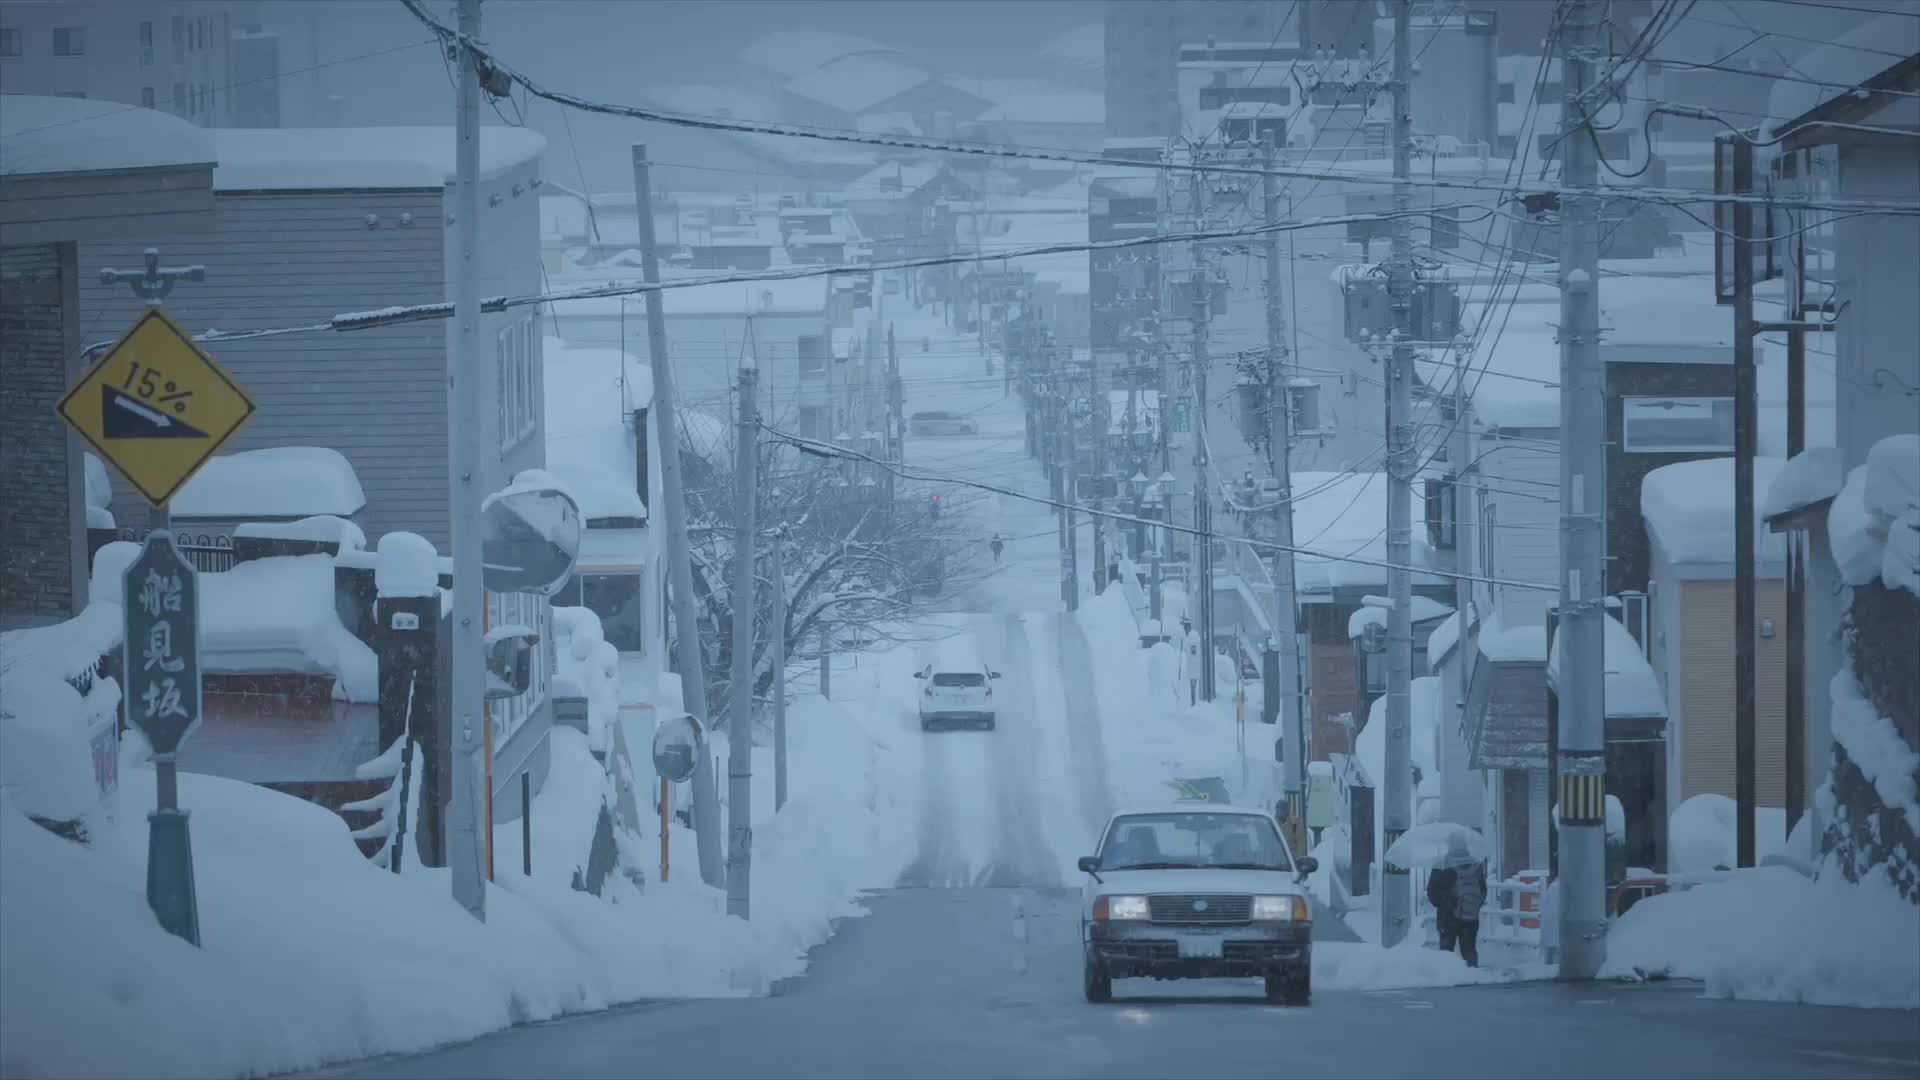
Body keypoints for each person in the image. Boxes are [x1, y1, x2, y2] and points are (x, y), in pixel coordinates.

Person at [1425, 835, 1487, 968]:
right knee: (1469, 951)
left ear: (1449, 846)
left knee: (1446, 954)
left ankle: (1447, 979)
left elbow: (1432, 892)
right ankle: (1473, 977)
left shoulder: (1441, 865)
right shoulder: (1475, 864)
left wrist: (1447, 903)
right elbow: (1482, 892)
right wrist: (1471, 905)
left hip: (1447, 918)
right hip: (1470, 916)